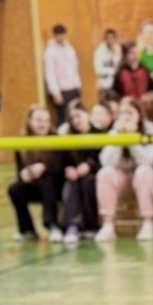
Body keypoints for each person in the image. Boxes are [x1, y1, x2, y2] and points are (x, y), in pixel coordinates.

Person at [94, 103, 153, 242]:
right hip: (123, 180)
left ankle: (148, 223)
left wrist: (131, 140)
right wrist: (119, 138)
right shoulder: (114, 131)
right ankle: (108, 225)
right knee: (105, 173)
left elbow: (148, 161)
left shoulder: (151, 130)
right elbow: (107, 162)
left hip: (144, 180)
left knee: (144, 171)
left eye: (130, 113)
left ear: (139, 115)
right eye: (122, 113)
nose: (126, 117)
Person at [6, 107, 62, 240]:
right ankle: (27, 230)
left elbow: (60, 166)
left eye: (46, 121)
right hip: (34, 185)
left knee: (45, 179)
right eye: (39, 120)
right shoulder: (22, 144)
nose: (43, 124)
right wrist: (24, 175)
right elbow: (20, 171)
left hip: (56, 185)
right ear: (29, 121)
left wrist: (44, 167)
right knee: (15, 189)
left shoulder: (57, 140)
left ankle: (53, 225)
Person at [57, 105, 101, 245]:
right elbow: (63, 160)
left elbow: (101, 156)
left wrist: (90, 165)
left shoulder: (100, 134)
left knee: (88, 182)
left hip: (94, 175)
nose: (76, 121)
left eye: (78, 116)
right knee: (72, 184)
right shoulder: (68, 138)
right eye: (72, 118)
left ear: (87, 115)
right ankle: (72, 225)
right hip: (75, 177)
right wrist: (68, 169)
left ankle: (91, 225)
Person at [45, 24, 83, 117]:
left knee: (76, 114)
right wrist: (55, 92)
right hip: (62, 90)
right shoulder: (50, 52)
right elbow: (50, 73)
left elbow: (75, 68)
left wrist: (78, 86)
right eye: (59, 35)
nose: (61, 37)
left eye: (63, 34)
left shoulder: (70, 49)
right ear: (54, 35)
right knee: (64, 116)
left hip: (73, 88)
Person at [92, 28, 122, 99]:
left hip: (116, 85)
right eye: (109, 38)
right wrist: (112, 71)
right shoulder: (100, 51)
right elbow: (98, 70)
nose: (111, 40)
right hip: (104, 85)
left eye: (112, 38)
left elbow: (119, 65)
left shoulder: (118, 49)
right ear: (105, 39)